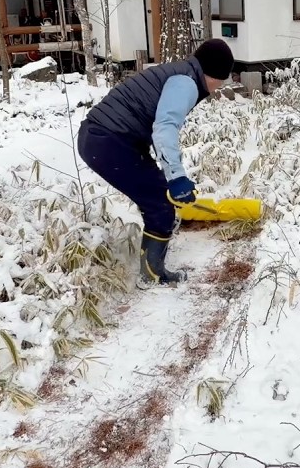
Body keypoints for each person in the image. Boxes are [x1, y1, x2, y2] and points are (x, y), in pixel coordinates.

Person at [77, 38, 235, 287]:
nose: (218, 87)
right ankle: (152, 276)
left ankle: (151, 266)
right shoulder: (186, 83)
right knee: (161, 203)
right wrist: (177, 177)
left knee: (157, 195)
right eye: (221, 80)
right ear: (212, 73)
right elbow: (165, 128)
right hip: (108, 141)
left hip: (100, 137)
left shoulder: (180, 73)